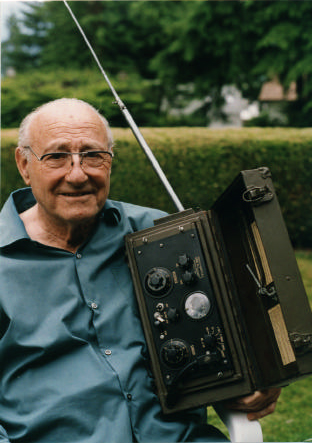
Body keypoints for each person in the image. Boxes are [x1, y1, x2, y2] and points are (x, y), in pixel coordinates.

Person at [0, 98, 281, 443]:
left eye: (92, 155)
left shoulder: (159, 234)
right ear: (24, 164)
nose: (77, 173)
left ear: (110, 162)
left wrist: (260, 376)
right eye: (56, 156)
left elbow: (229, 326)